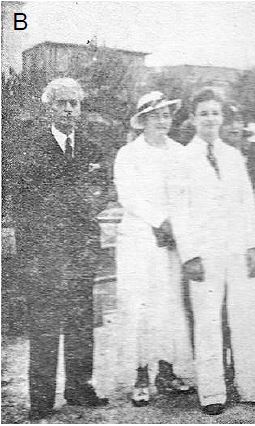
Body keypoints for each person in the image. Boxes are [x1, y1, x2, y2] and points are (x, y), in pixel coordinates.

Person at [5, 77, 109, 420]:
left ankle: (79, 387)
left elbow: (100, 191)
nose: (68, 109)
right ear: (48, 107)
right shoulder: (29, 147)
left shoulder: (91, 148)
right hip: (45, 254)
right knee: (46, 324)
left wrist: (84, 212)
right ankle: (41, 398)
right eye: (61, 103)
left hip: (80, 250)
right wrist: (34, 253)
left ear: (80, 108)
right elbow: (22, 205)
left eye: (74, 103)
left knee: (81, 322)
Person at [171, 88, 255, 414]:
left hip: (237, 248)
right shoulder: (182, 157)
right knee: (207, 321)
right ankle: (213, 392)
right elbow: (179, 210)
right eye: (203, 113)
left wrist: (254, 246)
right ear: (192, 118)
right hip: (205, 253)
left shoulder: (233, 155)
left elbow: (246, 204)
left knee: (248, 317)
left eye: (215, 113)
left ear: (222, 117)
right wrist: (189, 255)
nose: (210, 119)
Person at [112, 91, 195, 407]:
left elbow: (186, 196)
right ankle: (141, 376)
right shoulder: (128, 154)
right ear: (143, 120)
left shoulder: (180, 152)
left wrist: (177, 227)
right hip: (138, 240)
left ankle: (166, 371)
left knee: (169, 304)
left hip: (171, 242)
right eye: (158, 115)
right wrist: (160, 222)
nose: (164, 121)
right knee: (139, 307)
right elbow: (129, 197)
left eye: (168, 115)